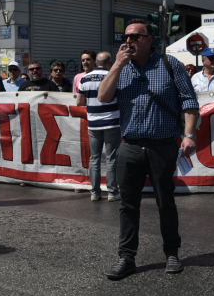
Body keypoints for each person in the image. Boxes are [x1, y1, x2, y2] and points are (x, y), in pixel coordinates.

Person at [98, 19, 200, 280]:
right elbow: (103, 97)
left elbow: (189, 101)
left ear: (149, 40)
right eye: (126, 36)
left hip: (162, 146)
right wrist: (117, 65)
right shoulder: (120, 67)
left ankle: (172, 253)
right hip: (130, 146)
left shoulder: (169, 64)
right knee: (128, 205)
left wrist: (189, 135)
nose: (129, 41)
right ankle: (126, 257)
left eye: (135, 36)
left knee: (165, 202)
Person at [76, 52, 121, 202]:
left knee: (94, 158)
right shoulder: (114, 76)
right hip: (112, 122)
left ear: (96, 62)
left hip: (94, 123)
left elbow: (79, 102)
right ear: (110, 63)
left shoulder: (84, 78)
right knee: (111, 158)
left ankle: (95, 193)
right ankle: (112, 192)